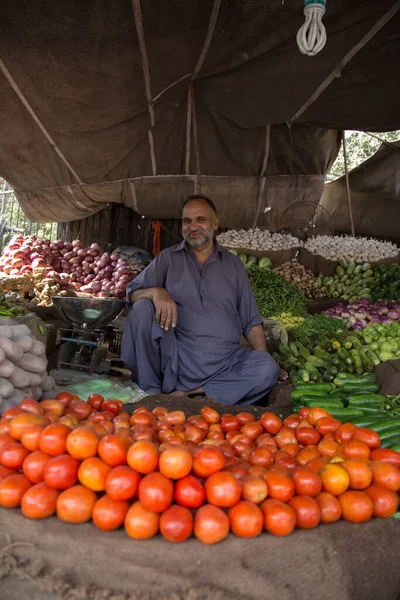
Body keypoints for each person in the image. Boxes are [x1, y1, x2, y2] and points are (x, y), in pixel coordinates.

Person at [121, 195, 280, 405]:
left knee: (268, 367)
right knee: (142, 308)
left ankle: (193, 395)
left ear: (215, 223)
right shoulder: (168, 259)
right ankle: (151, 394)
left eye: (200, 220)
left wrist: (261, 360)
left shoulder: (233, 265)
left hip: (226, 363)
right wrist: (156, 292)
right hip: (175, 360)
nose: (193, 227)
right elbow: (131, 292)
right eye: (187, 221)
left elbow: (251, 322)